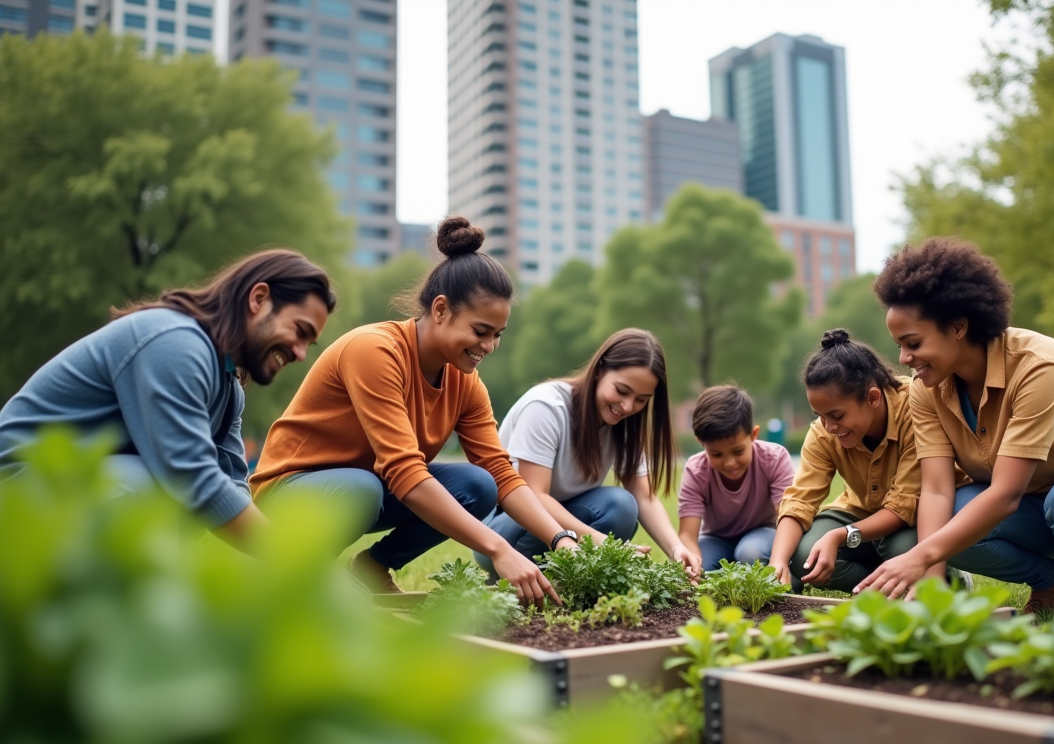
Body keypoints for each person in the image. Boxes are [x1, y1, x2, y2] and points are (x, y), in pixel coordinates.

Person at [251, 217, 565, 605]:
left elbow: (501, 474)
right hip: (291, 491)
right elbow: (404, 471)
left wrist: (561, 540)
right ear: (440, 310)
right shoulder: (375, 351)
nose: (489, 346)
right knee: (363, 489)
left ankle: (370, 568)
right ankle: (302, 574)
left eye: (497, 335)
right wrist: (499, 549)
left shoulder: (465, 381)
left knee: (477, 486)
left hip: (366, 488)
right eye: (480, 331)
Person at [858, 237, 1054, 612]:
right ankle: (1053, 583)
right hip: (1032, 513)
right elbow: (937, 490)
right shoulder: (928, 387)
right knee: (949, 517)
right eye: (899, 345)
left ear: (958, 327)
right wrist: (932, 581)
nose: (905, 358)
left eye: (914, 343)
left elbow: (1004, 494)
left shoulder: (1039, 366)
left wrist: (920, 556)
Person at [0, 249, 336, 548]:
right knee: (146, 484)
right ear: (258, 299)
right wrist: (293, 563)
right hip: (17, 491)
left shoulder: (228, 385)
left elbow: (231, 483)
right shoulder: (174, 342)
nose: (301, 353)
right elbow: (191, 476)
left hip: (68, 489)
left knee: (178, 504)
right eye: (300, 331)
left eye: (310, 344)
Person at [476, 329, 701, 577]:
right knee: (613, 509)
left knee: (621, 506)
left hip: (563, 527)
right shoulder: (546, 407)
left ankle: (567, 578)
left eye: (641, 399)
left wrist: (676, 549)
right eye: (622, 391)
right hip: (507, 527)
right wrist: (600, 542)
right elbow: (534, 495)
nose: (627, 406)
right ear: (600, 370)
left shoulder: (625, 423)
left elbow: (644, 497)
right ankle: (520, 572)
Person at [767, 329, 932, 593]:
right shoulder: (823, 431)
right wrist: (777, 561)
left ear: (873, 398)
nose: (829, 426)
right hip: (857, 511)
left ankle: (945, 578)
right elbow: (800, 501)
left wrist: (838, 536)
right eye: (820, 415)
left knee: (901, 549)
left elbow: (903, 506)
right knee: (804, 558)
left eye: (837, 415)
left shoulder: (916, 407)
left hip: (910, 521)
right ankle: (882, 584)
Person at [677, 385, 794, 572]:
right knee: (700, 563)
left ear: (753, 435)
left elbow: (787, 516)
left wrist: (780, 558)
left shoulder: (774, 458)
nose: (730, 463)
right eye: (716, 454)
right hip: (715, 538)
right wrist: (693, 563)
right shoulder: (696, 469)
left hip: (763, 533)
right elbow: (688, 536)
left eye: (738, 451)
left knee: (750, 554)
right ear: (701, 442)